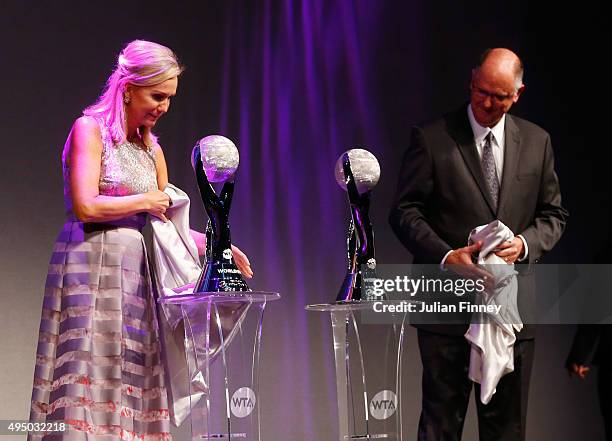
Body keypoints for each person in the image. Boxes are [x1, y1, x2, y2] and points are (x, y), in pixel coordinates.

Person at [28, 40, 252, 441]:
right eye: (157, 95)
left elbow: (167, 223)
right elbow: (85, 206)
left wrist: (217, 245)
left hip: (136, 268)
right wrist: (145, 199)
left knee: (130, 364)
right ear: (128, 87)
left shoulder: (152, 149)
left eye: (169, 98)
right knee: (90, 364)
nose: (163, 106)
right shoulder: (89, 129)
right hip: (91, 258)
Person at [389, 48, 568, 441]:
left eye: (499, 96)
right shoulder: (432, 138)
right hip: (447, 310)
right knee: (440, 428)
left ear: (518, 93)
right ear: (472, 81)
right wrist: (446, 255)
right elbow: (404, 212)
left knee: (506, 430)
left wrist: (523, 244)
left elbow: (553, 215)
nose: (487, 102)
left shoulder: (538, 142)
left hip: (512, 314)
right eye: (480, 91)